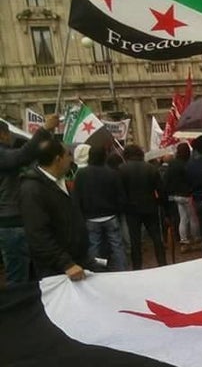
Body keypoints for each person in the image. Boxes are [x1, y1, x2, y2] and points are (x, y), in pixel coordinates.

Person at [19, 138, 92, 281]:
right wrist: (66, 264)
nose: (71, 159)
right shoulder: (32, 190)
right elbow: (38, 234)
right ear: (58, 159)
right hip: (58, 271)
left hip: (77, 260)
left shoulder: (60, 181)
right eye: (68, 155)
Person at [0, 114, 58, 285]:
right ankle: (18, 309)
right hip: (12, 223)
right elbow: (22, 156)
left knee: (28, 272)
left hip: (15, 221)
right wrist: (44, 129)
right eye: (7, 134)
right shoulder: (3, 155)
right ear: (2, 134)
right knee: (19, 275)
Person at [73, 145, 127, 271]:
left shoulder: (81, 174)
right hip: (111, 215)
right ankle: (122, 271)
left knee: (93, 247)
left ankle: (95, 272)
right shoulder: (112, 173)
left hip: (91, 217)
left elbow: (77, 197)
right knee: (117, 246)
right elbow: (120, 195)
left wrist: (80, 215)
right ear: (104, 156)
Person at [119, 144, 167, 269]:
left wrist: (124, 206)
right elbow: (161, 189)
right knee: (157, 237)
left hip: (131, 209)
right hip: (150, 206)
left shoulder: (121, 169)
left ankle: (137, 267)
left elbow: (120, 191)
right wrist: (161, 203)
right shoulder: (151, 168)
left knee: (135, 240)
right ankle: (162, 263)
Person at [165, 143, 199, 253]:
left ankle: (184, 240)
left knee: (183, 218)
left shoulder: (172, 164)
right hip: (188, 194)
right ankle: (195, 239)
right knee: (193, 218)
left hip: (177, 195)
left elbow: (167, 179)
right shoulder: (188, 164)